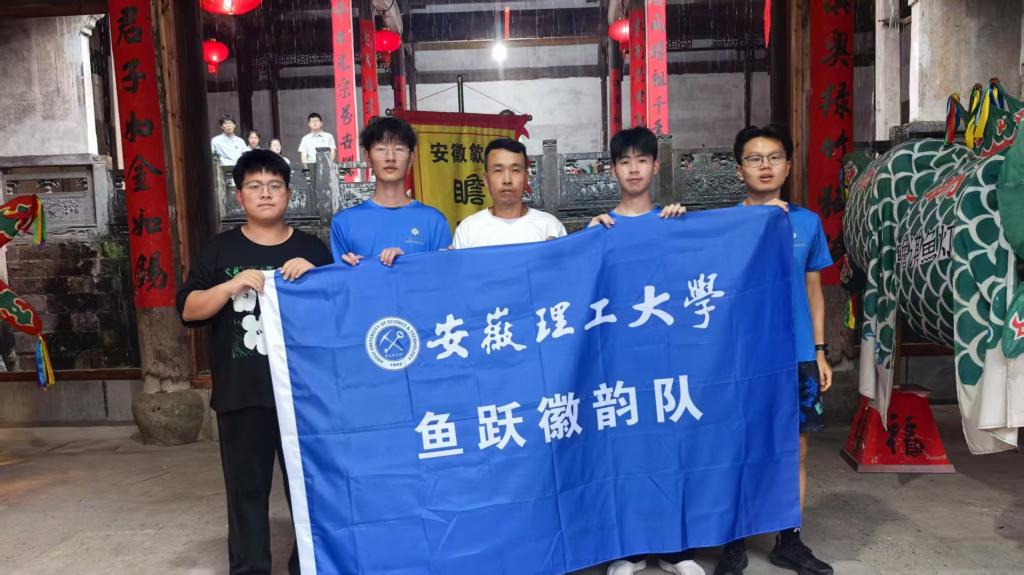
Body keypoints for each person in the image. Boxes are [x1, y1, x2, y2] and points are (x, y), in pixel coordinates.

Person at [176, 149, 333, 575]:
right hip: (242, 395)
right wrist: (230, 287)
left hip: (305, 398)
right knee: (246, 495)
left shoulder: (311, 249)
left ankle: (310, 567)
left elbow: (337, 317)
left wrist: (317, 277)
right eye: (255, 186)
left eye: (275, 185)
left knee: (311, 492)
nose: (266, 193)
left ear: (289, 193)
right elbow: (188, 309)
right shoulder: (219, 250)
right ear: (239, 195)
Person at [712, 124, 833, 575]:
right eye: (754, 159)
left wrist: (819, 350)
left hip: (797, 354)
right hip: (742, 358)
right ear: (739, 169)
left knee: (796, 451)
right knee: (739, 448)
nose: (765, 166)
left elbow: (814, 289)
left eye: (774, 157)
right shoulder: (723, 226)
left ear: (788, 165)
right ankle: (734, 542)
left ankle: (790, 539)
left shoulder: (807, 222)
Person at [589, 127, 694, 575]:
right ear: (612, 170)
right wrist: (585, 240)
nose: (634, 169)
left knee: (671, 449)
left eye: (642, 160)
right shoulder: (600, 230)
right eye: (624, 161)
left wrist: (685, 228)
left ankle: (673, 549)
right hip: (619, 365)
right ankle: (629, 550)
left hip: (668, 361)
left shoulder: (673, 222)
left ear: (655, 165)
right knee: (625, 453)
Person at [330, 116, 451, 267]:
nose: (390, 157)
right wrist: (358, 270)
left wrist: (405, 264)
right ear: (367, 157)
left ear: (411, 158)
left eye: (399, 149)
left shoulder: (434, 221)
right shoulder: (343, 223)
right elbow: (340, 279)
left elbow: (442, 275)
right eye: (381, 149)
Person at [451, 138, 565, 249]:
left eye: (515, 170)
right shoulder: (468, 229)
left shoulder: (550, 227)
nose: (507, 180)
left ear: (526, 178)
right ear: (486, 180)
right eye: (498, 170)